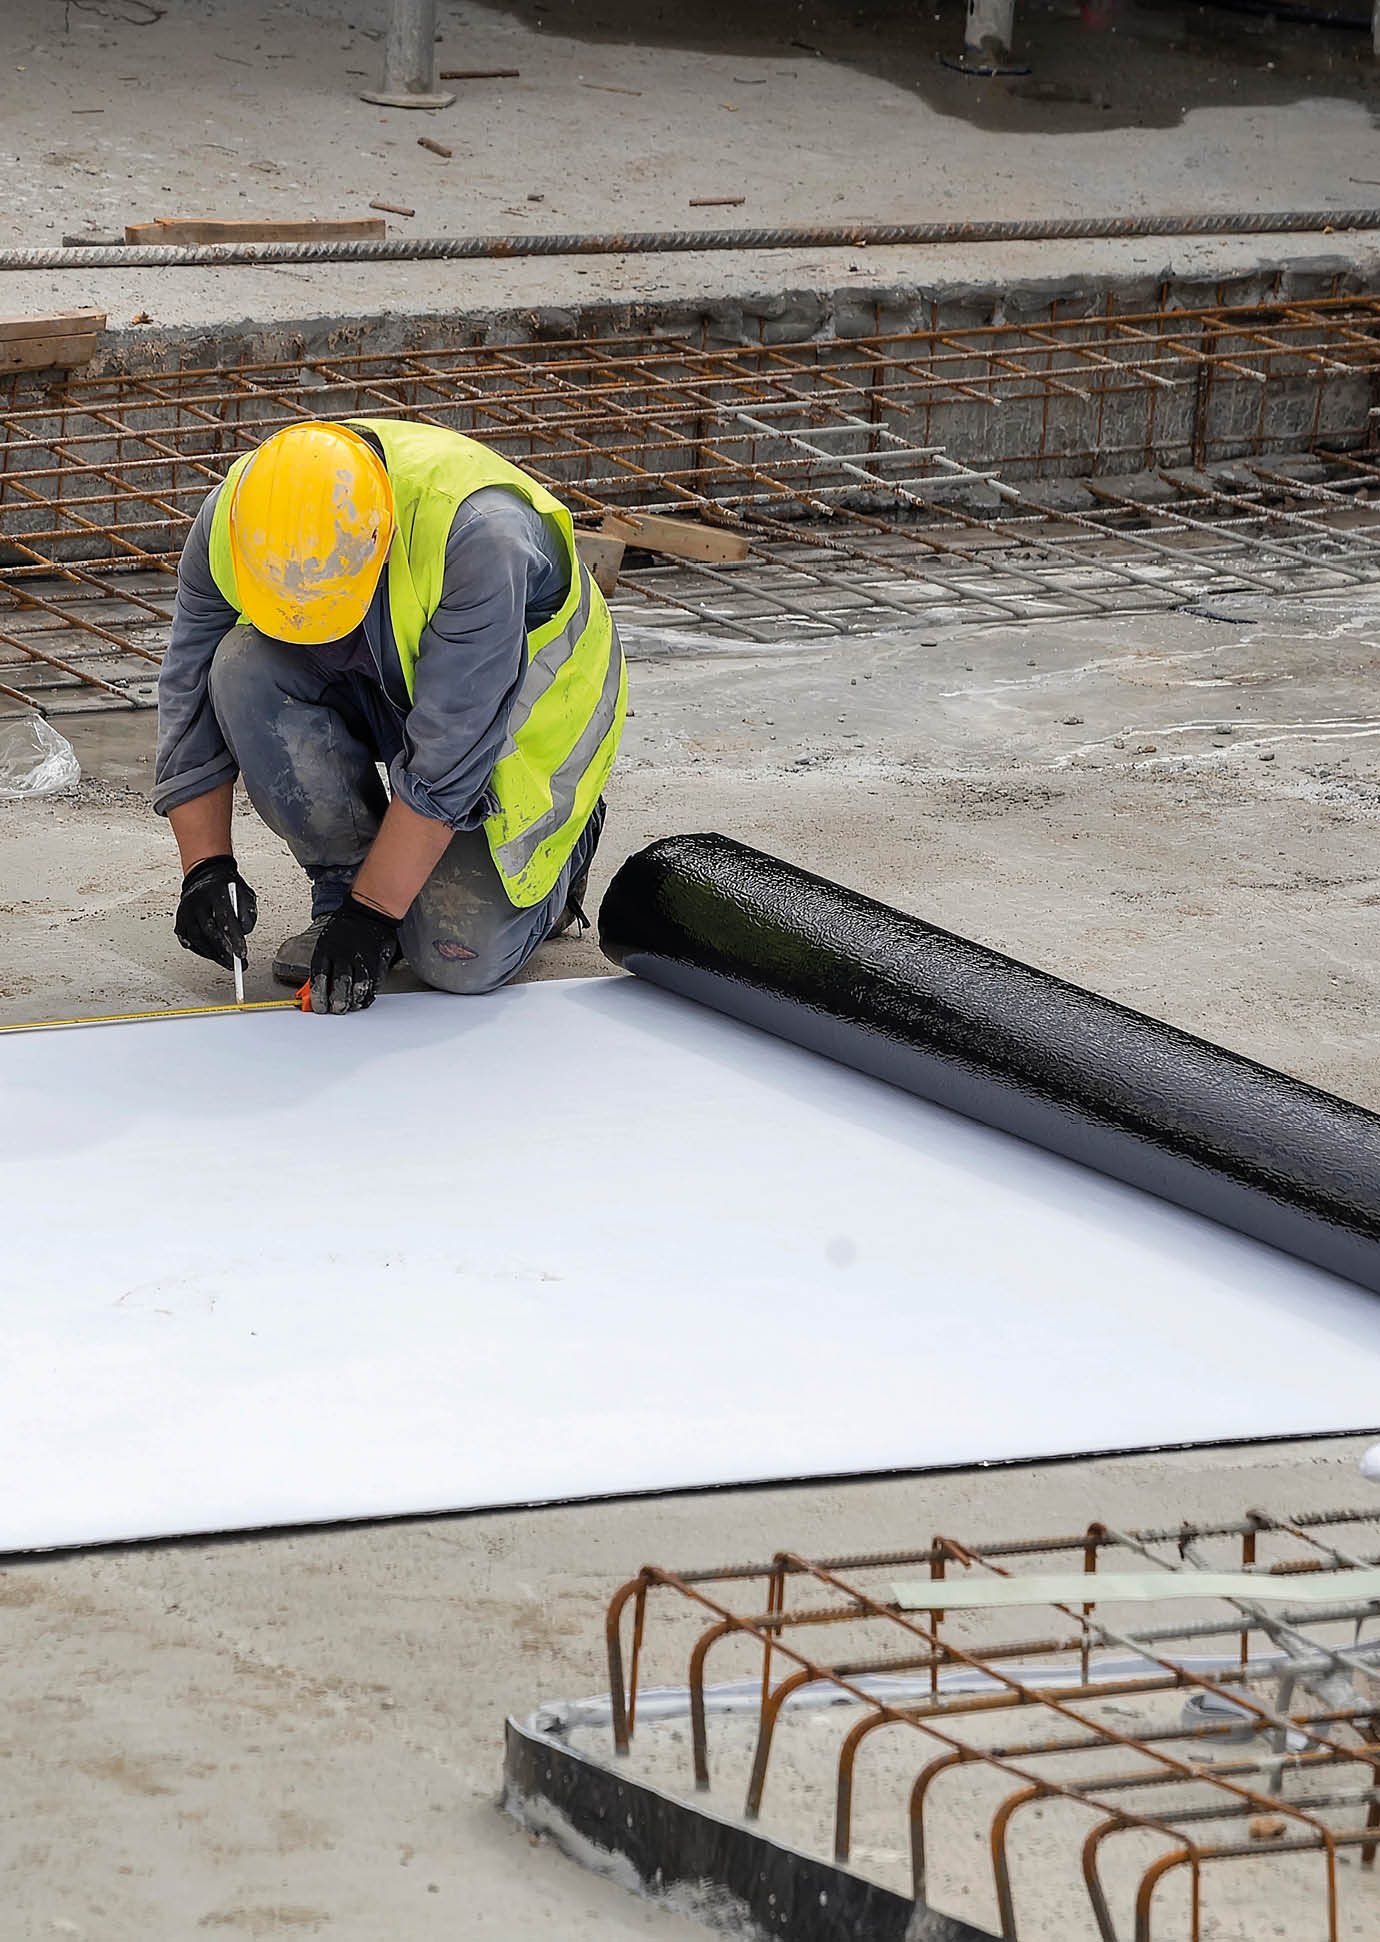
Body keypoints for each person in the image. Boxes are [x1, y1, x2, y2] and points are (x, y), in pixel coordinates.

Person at [154, 418, 625, 1014]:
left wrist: (373, 920)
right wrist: (204, 866)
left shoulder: (480, 537)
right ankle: (344, 884)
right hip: (397, 682)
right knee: (242, 664)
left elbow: (448, 759)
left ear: (380, 538)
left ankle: (566, 849)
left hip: (523, 727)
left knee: (457, 958)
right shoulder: (241, 519)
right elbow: (189, 692)